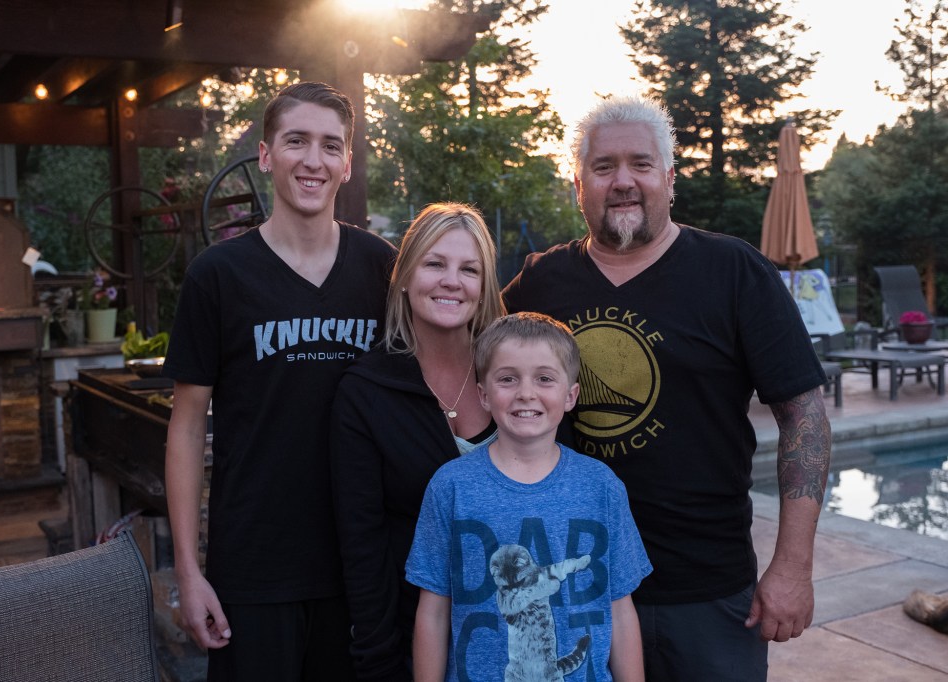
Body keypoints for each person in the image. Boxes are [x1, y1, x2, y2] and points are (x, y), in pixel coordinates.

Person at [501, 94, 832, 681]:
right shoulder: (538, 283)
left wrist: (792, 565)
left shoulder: (734, 272)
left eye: (641, 164)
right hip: (577, 583)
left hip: (706, 589)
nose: (623, 181)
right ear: (578, 183)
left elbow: (803, 415)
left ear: (670, 180)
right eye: (603, 167)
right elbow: (472, 373)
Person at [163, 81, 396, 681]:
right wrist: (190, 573)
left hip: (362, 565)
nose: (312, 160)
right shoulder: (218, 276)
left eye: (330, 146)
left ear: (347, 163)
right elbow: (186, 429)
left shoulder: (382, 269)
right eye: (296, 142)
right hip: (255, 565)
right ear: (266, 155)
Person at [406, 312, 652, 682]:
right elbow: (433, 611)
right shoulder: (451, 487)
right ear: (483, 395)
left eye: (544, 379)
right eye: (508, 378)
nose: (526, 393)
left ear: (571, 396)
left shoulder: (601, 487)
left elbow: (619, 609)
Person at [330, 202, 505, 680]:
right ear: (405, 277)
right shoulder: (366, 390)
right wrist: (377, 658)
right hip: (413, 641)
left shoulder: (514, 376)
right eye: (434, 264)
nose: (452, 281)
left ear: (484, 286)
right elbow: (362, 545)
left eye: (469, 269)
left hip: (517, 635)